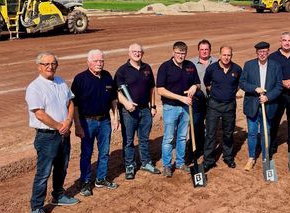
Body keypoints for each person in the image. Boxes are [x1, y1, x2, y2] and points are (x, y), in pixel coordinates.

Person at [26, 52, 79, 213]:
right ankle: (37, 207)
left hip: (63, 134)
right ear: (39, 66)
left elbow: (70, 103)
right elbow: (39, 114)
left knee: (61, 168)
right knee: (43, 173)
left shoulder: (61, 82)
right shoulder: (35, 87)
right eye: (46, 64)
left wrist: (69, 121)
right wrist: (59, 126)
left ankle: (58, 194)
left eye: (53, 63)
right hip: (47, 136)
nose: (50, 67)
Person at [72, 50, 120, 196]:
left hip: (104, 120)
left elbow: (113, 99)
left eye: (101, 61)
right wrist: (78, 125)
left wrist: (115, 117)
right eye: (96, 61)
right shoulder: (80, 79)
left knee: (104, 152)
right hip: (87, 122)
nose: (99, 63)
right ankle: (85, 181)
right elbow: (74, 105)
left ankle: (101, 178)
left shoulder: (107, 77)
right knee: (86, 153)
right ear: (88, 62)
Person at [115, 43, 160, 180]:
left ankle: (146, 162)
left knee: (144, 139)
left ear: (142, 53)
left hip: (145, 109)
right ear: (129, 53)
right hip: (128, 111)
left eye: (139, 51)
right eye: (134, 51)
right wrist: (126, 104)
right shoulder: (122, 71)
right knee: (128, 140)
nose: (137, 53)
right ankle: (130, 165)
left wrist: (152, 107)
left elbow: (152, 88)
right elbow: (117, 92)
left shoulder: (147, 68)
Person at [157, 41, 201, 178]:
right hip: (170, 107)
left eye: (183, 53)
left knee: (182, 137)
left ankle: (180, 162)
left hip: (186, 108)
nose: (180, 56)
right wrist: (180, 98)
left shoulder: (190, 66)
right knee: (169, 137)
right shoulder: (165, 67)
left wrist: (195, 87)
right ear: (173, 52)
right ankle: (167, 165)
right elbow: (160, 90)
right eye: (178, 53)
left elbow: (197, 83)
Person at [239, 41, 283, 171]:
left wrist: (268, 97)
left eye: (265, 52)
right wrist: (255, 88)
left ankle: (266, 157)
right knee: (252, 133)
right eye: (260, 52)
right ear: (256, 53)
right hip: (252, 105)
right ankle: (251, 157)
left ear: (268, 52)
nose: (262, 54)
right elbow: (242, 83)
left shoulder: (276, 66)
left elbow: (279, 86)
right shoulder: (249, 65)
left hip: (268, 106)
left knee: (266, 133)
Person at [203, 45, 243, 170]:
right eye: (224, 55)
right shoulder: (211, 68)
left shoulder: (237, 69)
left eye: (229, 55)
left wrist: (229, 93)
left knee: (228, 133)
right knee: (210, 133)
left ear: (232, 55)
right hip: (214, 105)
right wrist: (216, 93)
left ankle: (228, 157)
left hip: (229, 106)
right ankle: (208, 160)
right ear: (220, 55)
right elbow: (207, 83)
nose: (226, 57)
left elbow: (238, 84)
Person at [188, 39, 217, 161]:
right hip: (196, 100)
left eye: (206, 49)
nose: (204, 52)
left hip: (212, 100)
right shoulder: (191, 64)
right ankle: (194, 150)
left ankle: (208, 150)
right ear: (198, 50)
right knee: (195, 125)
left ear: (210, 50)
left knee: (210, 126)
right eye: (202, 49)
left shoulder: (216, 62)